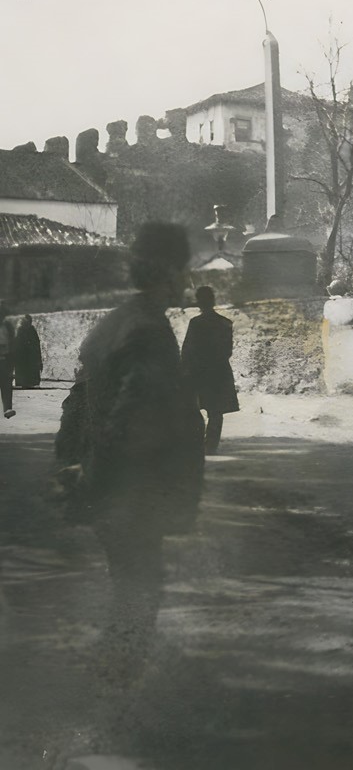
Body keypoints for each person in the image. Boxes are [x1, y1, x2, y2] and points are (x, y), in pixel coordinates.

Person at [58, 223, 204, 685]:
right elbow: (133, 416)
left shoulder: (116, 322)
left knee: (128, 579)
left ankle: (116, 673)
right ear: (168, 271)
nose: (186, 278)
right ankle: (120, 684)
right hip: (133, 485)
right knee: (139, 584)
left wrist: (74, 467)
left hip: (111, 484)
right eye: (182, 268)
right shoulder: (148, 330)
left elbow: (76, 403)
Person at [181, 287, 240, 453]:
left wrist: (185, 370)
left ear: (199, 302)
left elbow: (187, 351)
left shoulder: (196, 323)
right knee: (215, 410)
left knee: (194, 408)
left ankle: (198, 444)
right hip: (218, 371)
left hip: (198, 371)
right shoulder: (225, 323)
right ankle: (210, 446)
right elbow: (227, 351)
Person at [12, 313, 42, 390]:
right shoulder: (20, 330)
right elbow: (17, 342)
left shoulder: (32, 329)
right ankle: (23, 383)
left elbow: (36, 343)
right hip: (22, 354)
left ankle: (31, 383)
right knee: (23, 368)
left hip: (30, 354)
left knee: (30, 368)